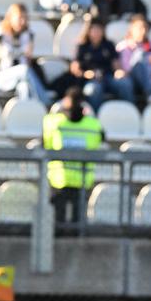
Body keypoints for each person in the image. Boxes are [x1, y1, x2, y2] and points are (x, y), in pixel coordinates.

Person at [43, 87, 104, 225]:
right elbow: (101, 139)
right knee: (79, 223)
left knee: (58, 222)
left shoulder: (53, 123)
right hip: (82, 179)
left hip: (59, 179)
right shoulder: (93, 125)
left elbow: (45, 143)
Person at [0, 3, 51, 104]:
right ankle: (46, 103)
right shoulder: (0, 31)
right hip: (0, 76)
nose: (23, 22)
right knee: (24, 69)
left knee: (24, 87)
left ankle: (24, 112)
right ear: (11, 17)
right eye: (20, 18)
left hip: (18, 78)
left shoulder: (28, 34)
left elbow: (28, 58)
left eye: (25, 18)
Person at [51, 17, 134, 112]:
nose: (97, 32)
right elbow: (75, 69)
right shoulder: (82, 47)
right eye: (94, 29)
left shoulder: (109, 45)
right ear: (88, 31)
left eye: (99, 29)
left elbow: (115, 64)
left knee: (125, 83)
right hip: (91, 79)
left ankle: (130, 111)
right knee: (92, 90)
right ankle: (95, 115)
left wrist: (118, 71)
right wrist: (86, 74)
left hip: (108, 76)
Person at [116, 14, 151, 104]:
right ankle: (150, 93)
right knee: (140, 54)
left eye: (145, 28)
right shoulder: (124, 46)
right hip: (134, 81)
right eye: (139, 28)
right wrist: (147, 61)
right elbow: (127, 69)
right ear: (131, 29)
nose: (143, 31)